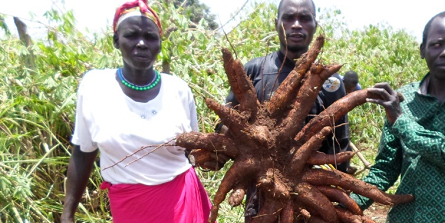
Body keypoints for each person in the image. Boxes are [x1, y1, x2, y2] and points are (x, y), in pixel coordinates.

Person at [60, 1, 213, 222]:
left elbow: (193, 150)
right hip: (130, 206)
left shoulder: (178, 90)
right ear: (116, 40)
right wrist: (67, 215)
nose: (142, 43)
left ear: (160, 44)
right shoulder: (94, 86)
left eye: (150, 37)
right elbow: (83, 151)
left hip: (181, 203)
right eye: (132, 35)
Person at [351, 11, 445, 222]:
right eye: (437, 44)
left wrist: (401, 120)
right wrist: (345, 204)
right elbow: (386, 168)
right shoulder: (404, 98)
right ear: (423, 50)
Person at [221, 0, 350, 221]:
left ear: (315, 24)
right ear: (276, 23)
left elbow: (340, 145)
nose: (296, 24)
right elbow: (226, 124)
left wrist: (339, 198)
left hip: (311, 194)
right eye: (289, 18)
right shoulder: (253, 70)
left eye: (305, 18)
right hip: (260, 193)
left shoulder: (330, 82)